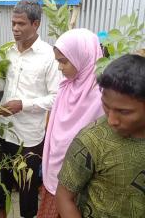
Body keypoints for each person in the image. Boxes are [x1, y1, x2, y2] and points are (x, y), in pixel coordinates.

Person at [0, 0, 60, 218]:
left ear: (36, 24)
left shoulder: (49, 56)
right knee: (1, 180)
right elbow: (6, 85)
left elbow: (55, 98)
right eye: (13, 23)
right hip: (4, 130)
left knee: (27, 188)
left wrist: (23, 105)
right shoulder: (8, 52)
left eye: (21, 24)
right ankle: (1, 214)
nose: (15, 28)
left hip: (29, 137)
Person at [56, 54, 145, 217]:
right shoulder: (91, 141)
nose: (111, 120)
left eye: (123, 112)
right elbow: (64, 196)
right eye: (105, 106)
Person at [37, 29, 104, 218]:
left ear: (82, 58)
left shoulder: (100, 96)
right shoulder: (66, 87)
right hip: (55, 173)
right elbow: (55, 131)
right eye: (58, 61)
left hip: (81, 183)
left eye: (63, 61)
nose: (59, 67)